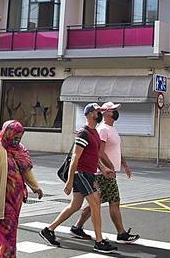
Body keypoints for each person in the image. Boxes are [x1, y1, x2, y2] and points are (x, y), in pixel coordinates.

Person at [40, 103, 118, 254]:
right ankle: (99, 241)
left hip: (89, 174)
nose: (99, 114)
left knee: (75, 206)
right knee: (95, 204)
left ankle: (48, 230)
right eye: (97, 111)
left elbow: (94, 157)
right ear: (89, 114)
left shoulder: (94, 132)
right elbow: (75, 157)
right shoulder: (84, 133)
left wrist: (103, 169)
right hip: (81, 174)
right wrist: (69, 181)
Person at [74, 103, 140, 243]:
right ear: (106, 112)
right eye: (113, 110)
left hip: (107, 172)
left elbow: (116, 150)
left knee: (96, 202)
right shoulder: (103, 129)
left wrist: (124, 165)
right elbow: (99, 152)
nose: (116, 112)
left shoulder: (111, 129)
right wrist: (108, 166)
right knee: (112, 201)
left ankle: (77, 226)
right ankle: (121, 233)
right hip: (103, 173)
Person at [0, 120, 43, 257]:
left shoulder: (20, 150)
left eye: (20, 137)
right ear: (7, 133)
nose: (17, 140)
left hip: (15, 202)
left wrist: (36, 187)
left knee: (0, 235)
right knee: (4, 237)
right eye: (15, 136)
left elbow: (26, 171)